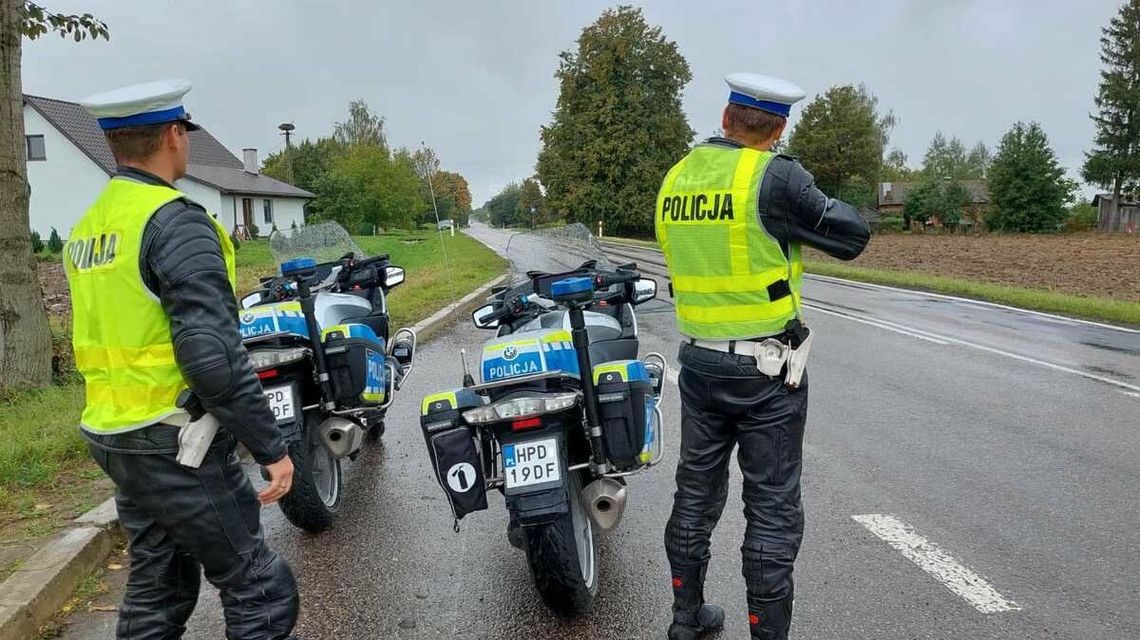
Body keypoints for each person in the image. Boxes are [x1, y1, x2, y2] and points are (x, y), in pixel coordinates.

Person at [65, 79, 300, 640]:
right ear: (174, 135)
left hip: (113, 432)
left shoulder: (89, 227)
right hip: (175, 437)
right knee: (259, 588)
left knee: (161, 583)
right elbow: (212, 359)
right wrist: (271, 447)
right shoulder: (176, 222)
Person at [655, 73, 870, 640]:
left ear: (726, 119)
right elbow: (852, 236)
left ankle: (686, 619)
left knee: (694, 496)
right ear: (778, 129)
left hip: (698, 365)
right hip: (765, 373)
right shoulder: (775, 176)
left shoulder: (677, 176)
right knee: (772, 509)